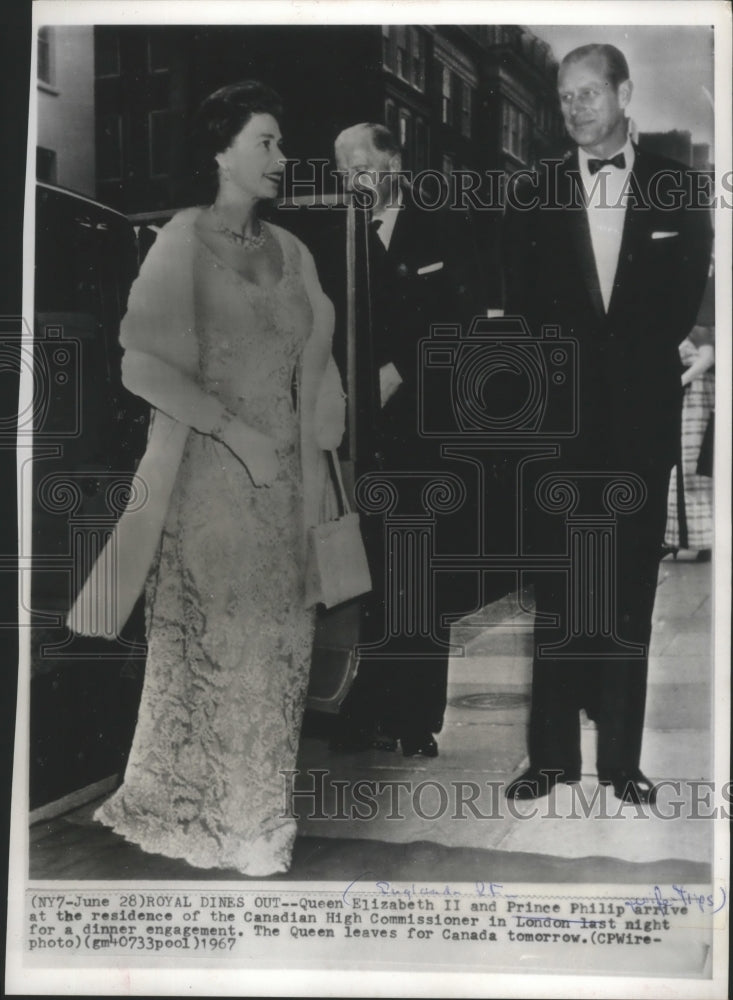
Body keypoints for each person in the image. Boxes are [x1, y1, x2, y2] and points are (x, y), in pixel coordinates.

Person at [67, 81, 346, 875]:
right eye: (265, 142)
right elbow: (142, 365)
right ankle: (244, 821)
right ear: (219, 152)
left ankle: (257, 807)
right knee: (228, 647)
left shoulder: (294, 251)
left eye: (281, 144)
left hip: (288, 484)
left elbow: (320, 360)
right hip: (208, 473)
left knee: (283, 647)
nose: (281, 159)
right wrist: (236, 435)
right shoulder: (180, 241)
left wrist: (327, 423)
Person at [502, 44, 712, 803]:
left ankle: (621, 762)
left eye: (589, 93)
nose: (575, 108)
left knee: (625, 590)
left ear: (624, 93)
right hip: (558, 427)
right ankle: (550, 758)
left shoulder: (675, 186)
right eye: (565, 97)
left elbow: (686, 287)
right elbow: (520, 306)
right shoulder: (533, 190)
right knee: (558, 590)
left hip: (638, 423)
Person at [329, 123, 490, 757]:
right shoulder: (339, 239)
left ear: (395, 159)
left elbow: (463, 320)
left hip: (425, 433)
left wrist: (403, 369)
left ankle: (417, 717)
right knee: (367, 575)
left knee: (420, 574)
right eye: (343, 170)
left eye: (362, 165)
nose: (352, 179)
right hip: (360, 436)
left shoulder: (443, 224)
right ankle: (365, 703)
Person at [664, 292, 715, 560]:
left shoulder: (696, 325)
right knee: (685, 467)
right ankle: (687, 537)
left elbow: (707, 359)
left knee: (691, 467)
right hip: (690, 398)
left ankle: (701, 538)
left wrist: (677, 382)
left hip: (698, 399)